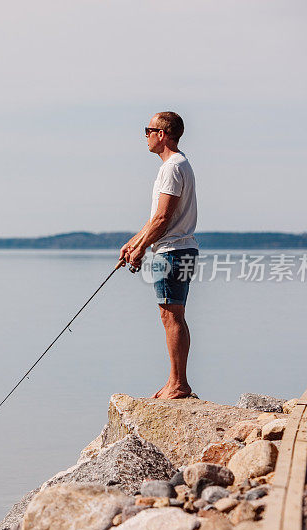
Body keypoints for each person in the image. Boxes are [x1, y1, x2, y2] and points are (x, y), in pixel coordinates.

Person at [120, 111, 199, 400]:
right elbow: (156, 217)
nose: (146, 135)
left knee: (171, 316)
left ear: (162, 134)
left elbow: (163, 219)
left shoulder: (172, 167)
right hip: (179, 249)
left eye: (148, 130)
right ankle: (174, 381)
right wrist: (133, 242)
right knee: (172, 315)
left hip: (172, 252)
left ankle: (178, 384)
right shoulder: (176, 165)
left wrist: (141, 248)